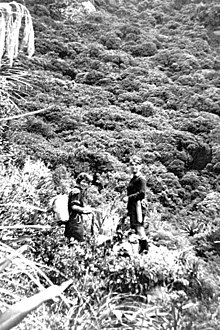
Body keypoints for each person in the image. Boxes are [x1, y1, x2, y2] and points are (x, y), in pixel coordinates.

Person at [125, 155, 148, 254]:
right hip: (132, 207)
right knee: (134, 227)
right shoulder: (133, 179)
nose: (134, 167)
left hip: (138, 207)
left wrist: (129, 198)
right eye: (132, 165)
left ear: (140, 166)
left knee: (139, 227)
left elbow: (142, 193)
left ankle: (145, 249)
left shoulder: (141, 179)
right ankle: (138, 250)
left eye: (136, 165)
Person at [63, 172, 93, 244]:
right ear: (79, 181)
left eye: (87, 183)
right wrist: (84, 210)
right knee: (77, 239)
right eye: (83, 182)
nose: (85, 184)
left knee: (71, 239)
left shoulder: (78, 191)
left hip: (73, 219)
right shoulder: (77, 191)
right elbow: (74, 206)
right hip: (74, 219)